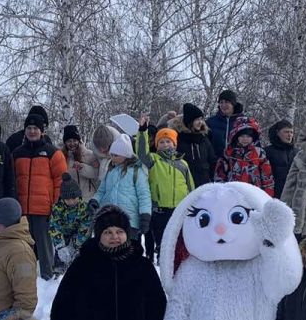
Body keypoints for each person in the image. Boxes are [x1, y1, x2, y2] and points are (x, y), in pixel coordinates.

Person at [13, 109, 69, 280]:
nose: (32, 131)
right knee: (23, 245)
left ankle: (47, 275)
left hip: (43, 208)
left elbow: (61, 181)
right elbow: (12, 180)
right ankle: (25, 276)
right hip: (22, 208)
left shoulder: (53, 153)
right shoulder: (17, 153)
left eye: (35, 128)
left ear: (42, 131)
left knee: (44, 246)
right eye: (29, 128)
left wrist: (55, 205)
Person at [141, 126, 194, 262]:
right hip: (159, 211)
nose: (165, 145)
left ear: (174, 144)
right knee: (163, 243)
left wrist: (193, 204)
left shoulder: (182, 163)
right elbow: (141, 152)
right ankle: (162, 264)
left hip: (179, 210)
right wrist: (142, 132)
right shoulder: (153, 160)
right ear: (157, 145)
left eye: (168, 141)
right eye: (161, 142)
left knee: (179, 242)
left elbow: (190, 186)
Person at [93, 133, 152, 254]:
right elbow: (102, 190)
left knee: (129, 250)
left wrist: (145, 215)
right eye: (112, 155)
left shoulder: (137, 172)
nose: (112, 158)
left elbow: (144, 195)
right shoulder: (110, 171)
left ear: (125, 155)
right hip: (110, 218)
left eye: (115, 155)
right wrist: (94, 200)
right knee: (111, 249)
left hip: (130, 220)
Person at [214, 116, 275, 197]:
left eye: (248, 136)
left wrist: (267, 196)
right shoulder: (229, 153)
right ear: (236, 136)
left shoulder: (259, 153)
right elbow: (220, 175)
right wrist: (221, 193)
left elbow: (267, 177)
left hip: (254, 194)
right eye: (242, 136)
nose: (245, 139)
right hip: (232, 193)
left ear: (253, 138)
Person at [49, 174, 93, 274]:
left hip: (78, 233)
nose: (72, 201)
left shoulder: (84, 208)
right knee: (61, 255)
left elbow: (85, 228)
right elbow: (54, 227)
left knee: (80, 254)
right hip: (63, 234)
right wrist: (60, 246)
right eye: (68, 199)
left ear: (79, 195)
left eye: (74, 198)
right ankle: (58, 273)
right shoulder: (57, 208)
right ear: (63, 198)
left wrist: (76, 244)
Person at [174, 103, 217, 194]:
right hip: (184, 186)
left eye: (201, 119)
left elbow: (212, 160)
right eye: (197, 119)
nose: (200, 122)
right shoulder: (178, 139)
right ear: (189, 121)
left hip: (204, 185)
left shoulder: (204, 138)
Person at [62, 124, 100, 201]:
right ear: (65, 143)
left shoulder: (90, 154)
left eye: (75, 140)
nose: (72, 144)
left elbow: (97, 174)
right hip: (71, 201)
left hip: (88, 199)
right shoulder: (62, 157)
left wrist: (82, 168)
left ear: (79, 141)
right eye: (69, 141)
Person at [206, 89, 244, 159]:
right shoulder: (211, 122)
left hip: (238, 164)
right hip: (216, 164)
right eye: (221, 102)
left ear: (233, 104)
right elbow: (205, 144)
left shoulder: (243, 122)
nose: (223, 105)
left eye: (226, 102)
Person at [265, 119, 297, 194]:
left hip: (293, 195)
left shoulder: (297, 153)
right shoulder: (267, 152)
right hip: (273, 194)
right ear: (277, 133)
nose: (289, 135)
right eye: (286, 132)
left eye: (291, 132)